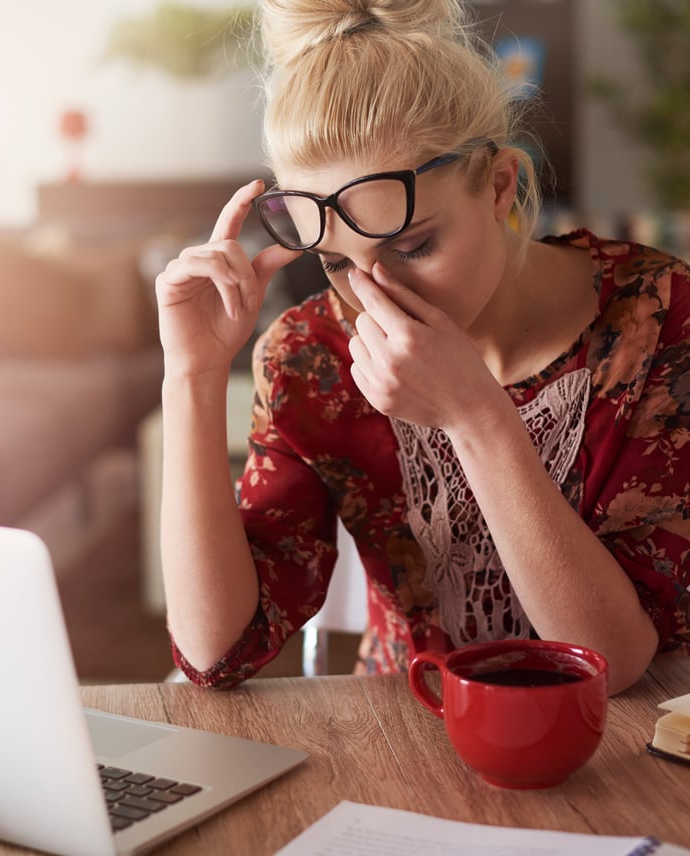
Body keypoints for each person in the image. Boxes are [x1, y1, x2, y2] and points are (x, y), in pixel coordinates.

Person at [155, 0, 690, 695]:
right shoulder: (313, 355)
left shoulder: (659, 320)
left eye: (412, 246)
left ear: (500, 187)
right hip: (406, 736)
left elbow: (613, 665)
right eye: (338, 263)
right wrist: (190, 377)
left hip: (628, 761)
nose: (376, 297)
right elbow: (215, 652)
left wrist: (475, 416)